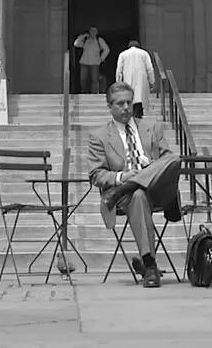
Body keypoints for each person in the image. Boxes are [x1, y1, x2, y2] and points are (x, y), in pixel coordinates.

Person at [87, 82, 181, 288]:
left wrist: (150, 169)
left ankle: (132, 184)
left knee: (175, 159)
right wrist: (122, 177)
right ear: (109, 106)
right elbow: (96, 174)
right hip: (127, 198)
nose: (126, 107)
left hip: (157, 189)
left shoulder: (152, 127)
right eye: (120, 103)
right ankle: (149, 265)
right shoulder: (100, 136)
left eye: (129, 102)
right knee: (138, 195)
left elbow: (167, 160)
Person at [115, 40, 155, 120]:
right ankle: (138, 116)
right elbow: (150, 68)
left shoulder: (123, 54)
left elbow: (119, 70)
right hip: (141, 80)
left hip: (128, 80)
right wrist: (152, 81)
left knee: (130, 98)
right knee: (139, 98)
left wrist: (118, 83)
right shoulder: (144, 53)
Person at [73, 26, 110, 95]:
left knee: (94, 80)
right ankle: (84, 91)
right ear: (89, 31)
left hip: (95, 63)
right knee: (83, 79)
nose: (93, 32)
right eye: (91, 31)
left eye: (95, 31)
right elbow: (76, 44)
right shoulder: (86, 39)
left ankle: (93, 93)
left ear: (97, 32)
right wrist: (83, 36)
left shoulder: (99, 40)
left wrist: (101, 58)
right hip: (84, 62)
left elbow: (107, 49)